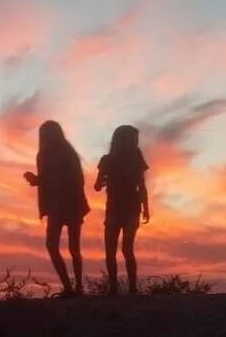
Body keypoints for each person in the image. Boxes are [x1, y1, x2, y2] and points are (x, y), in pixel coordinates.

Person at [23, 120, 90, 296]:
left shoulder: (65, 154)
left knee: (71, 248)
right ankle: (70, 287)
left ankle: (76, 288)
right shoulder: (45, 155)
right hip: (57, 206)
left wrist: (39, 181)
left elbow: (73, 180)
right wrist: (37, 180)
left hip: (70, 204)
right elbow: (50, 180)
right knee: (55, 246)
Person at [94, 125, 150, 295]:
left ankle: (117, 288)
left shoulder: (110, 160)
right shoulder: (117, 160)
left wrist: (146, 207)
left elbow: (97, 186)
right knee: (124, 249)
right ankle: (125, 288)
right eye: (134, 139)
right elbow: (141, 186)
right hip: (125, 207)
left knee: (115, 250)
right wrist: (146, 208)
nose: (136, 142)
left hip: (123, 207)